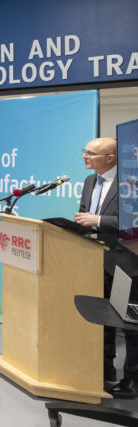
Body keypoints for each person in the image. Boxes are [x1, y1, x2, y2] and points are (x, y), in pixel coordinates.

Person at [75, 137, 138, 397]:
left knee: (130, 324)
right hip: (95, 261)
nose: (84, 156)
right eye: (85, 151)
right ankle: (104, 369)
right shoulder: (90, 181)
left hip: (127, 262)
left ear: (111, 157)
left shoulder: (131, 183)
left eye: (90, 153)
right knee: (102, 319)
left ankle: (132, 378)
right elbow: (83, 214)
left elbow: (133, 221)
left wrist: (99, 220)